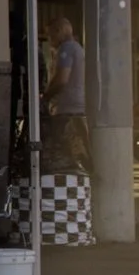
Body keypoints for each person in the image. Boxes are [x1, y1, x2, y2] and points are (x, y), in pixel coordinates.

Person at [44, 15, 89, 171]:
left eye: (51, 35)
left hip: (67, 109)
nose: (50, 40)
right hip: (77, 108)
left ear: (61, 31)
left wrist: (46, 96)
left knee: (63, 155)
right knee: (79, 154)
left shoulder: (67, 48)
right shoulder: (77, 48)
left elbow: (62, 79)